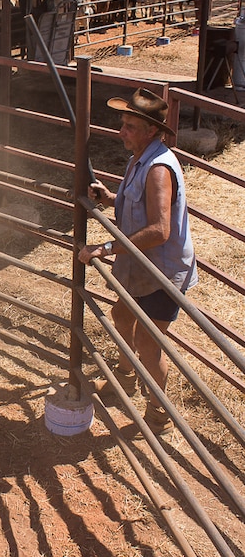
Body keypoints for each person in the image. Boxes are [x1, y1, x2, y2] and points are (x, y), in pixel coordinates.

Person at [79, 88, 198, 436]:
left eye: (130, 126)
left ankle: (158, 414)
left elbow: (160, 230)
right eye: (123, 124)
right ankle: (126, 378)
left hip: (160, 270)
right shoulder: (140, 158)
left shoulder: (158, 168)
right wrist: (112, 197)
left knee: (150, 343)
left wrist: (107, 246)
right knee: (120, 314)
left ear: (151, 130)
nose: (122, 131)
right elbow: (140, 205)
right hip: (140, 264)